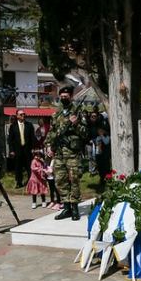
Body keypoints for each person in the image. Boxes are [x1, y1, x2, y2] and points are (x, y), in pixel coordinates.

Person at [46, 85, 88, 221]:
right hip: (59, 152)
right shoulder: (56, 113)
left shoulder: (78, 111)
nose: (64, 98)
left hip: (72, 152)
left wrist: (76, 124)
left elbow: (85, 132)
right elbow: (52, 132)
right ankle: (67, 207)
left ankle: (75, 207)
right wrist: (48, 146)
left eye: (66, 96)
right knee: (60, 180)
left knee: (74, 179)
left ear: (71, 96)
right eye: (62, 96)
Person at [7, 109, 35, 188]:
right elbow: (10, 140)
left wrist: (33, 148)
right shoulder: (13, 126)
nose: (23, 116)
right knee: (18, 167)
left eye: (24, 114)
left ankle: (30, 182)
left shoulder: (29, 125)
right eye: (21, 114)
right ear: (17, 116)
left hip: (27, 149)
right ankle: (19, 182)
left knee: (29, 166)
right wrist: (11, 150)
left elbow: (32, 138)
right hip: (17, 150)